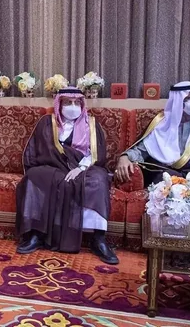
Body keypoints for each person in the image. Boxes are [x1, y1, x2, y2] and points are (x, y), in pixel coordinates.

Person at [15, 88, 118, 264]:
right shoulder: (47, 122)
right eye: (68, 103)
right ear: (59, 104)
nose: (73, 106)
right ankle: (36, 234)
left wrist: (80, 168)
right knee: (34, 177)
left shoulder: (91, 124)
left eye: (77, 103)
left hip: (85, 167)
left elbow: (96, 153)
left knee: (98, 181)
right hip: (53, 166)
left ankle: (98, 239)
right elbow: (38, 149)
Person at [117, 81, 190, 196]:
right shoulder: (161, 123)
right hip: (171, 174)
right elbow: (144, 149)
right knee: (166, 178)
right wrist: (125, 157)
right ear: (178, 101)